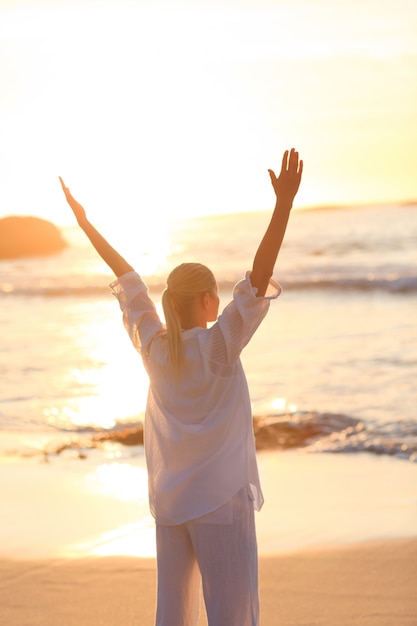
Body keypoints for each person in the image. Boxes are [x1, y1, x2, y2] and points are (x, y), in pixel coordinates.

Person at [59, 148, 302, 626]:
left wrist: (86, 226)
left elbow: (127, 279)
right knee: (232, 616)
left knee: (173, 616)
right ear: (209, 300)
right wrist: (283, 206)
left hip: (173, 506)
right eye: (217, 294)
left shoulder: (154, 350)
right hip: (219, 503)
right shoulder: (219, 347)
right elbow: (256, 282)